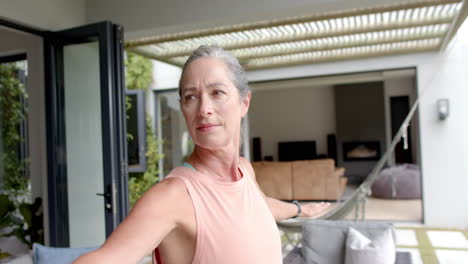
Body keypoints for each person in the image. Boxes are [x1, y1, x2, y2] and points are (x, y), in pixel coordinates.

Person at [74, 45, 330, 264]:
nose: (204, 108)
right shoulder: (172, 196)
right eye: (191, 97)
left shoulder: (244, 171)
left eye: (216, 93)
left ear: (244, 103)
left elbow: (260, 207)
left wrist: (299, 209)